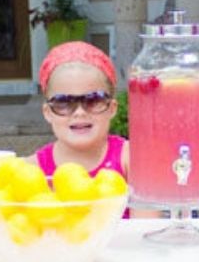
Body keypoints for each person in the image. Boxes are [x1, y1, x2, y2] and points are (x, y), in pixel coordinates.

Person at [34, 41, 128, 180]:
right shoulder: (33, 170)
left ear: (112, 108)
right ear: (47, 112)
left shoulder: (129, 158)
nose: (80, 112)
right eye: (64, 102)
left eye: (93, 100)